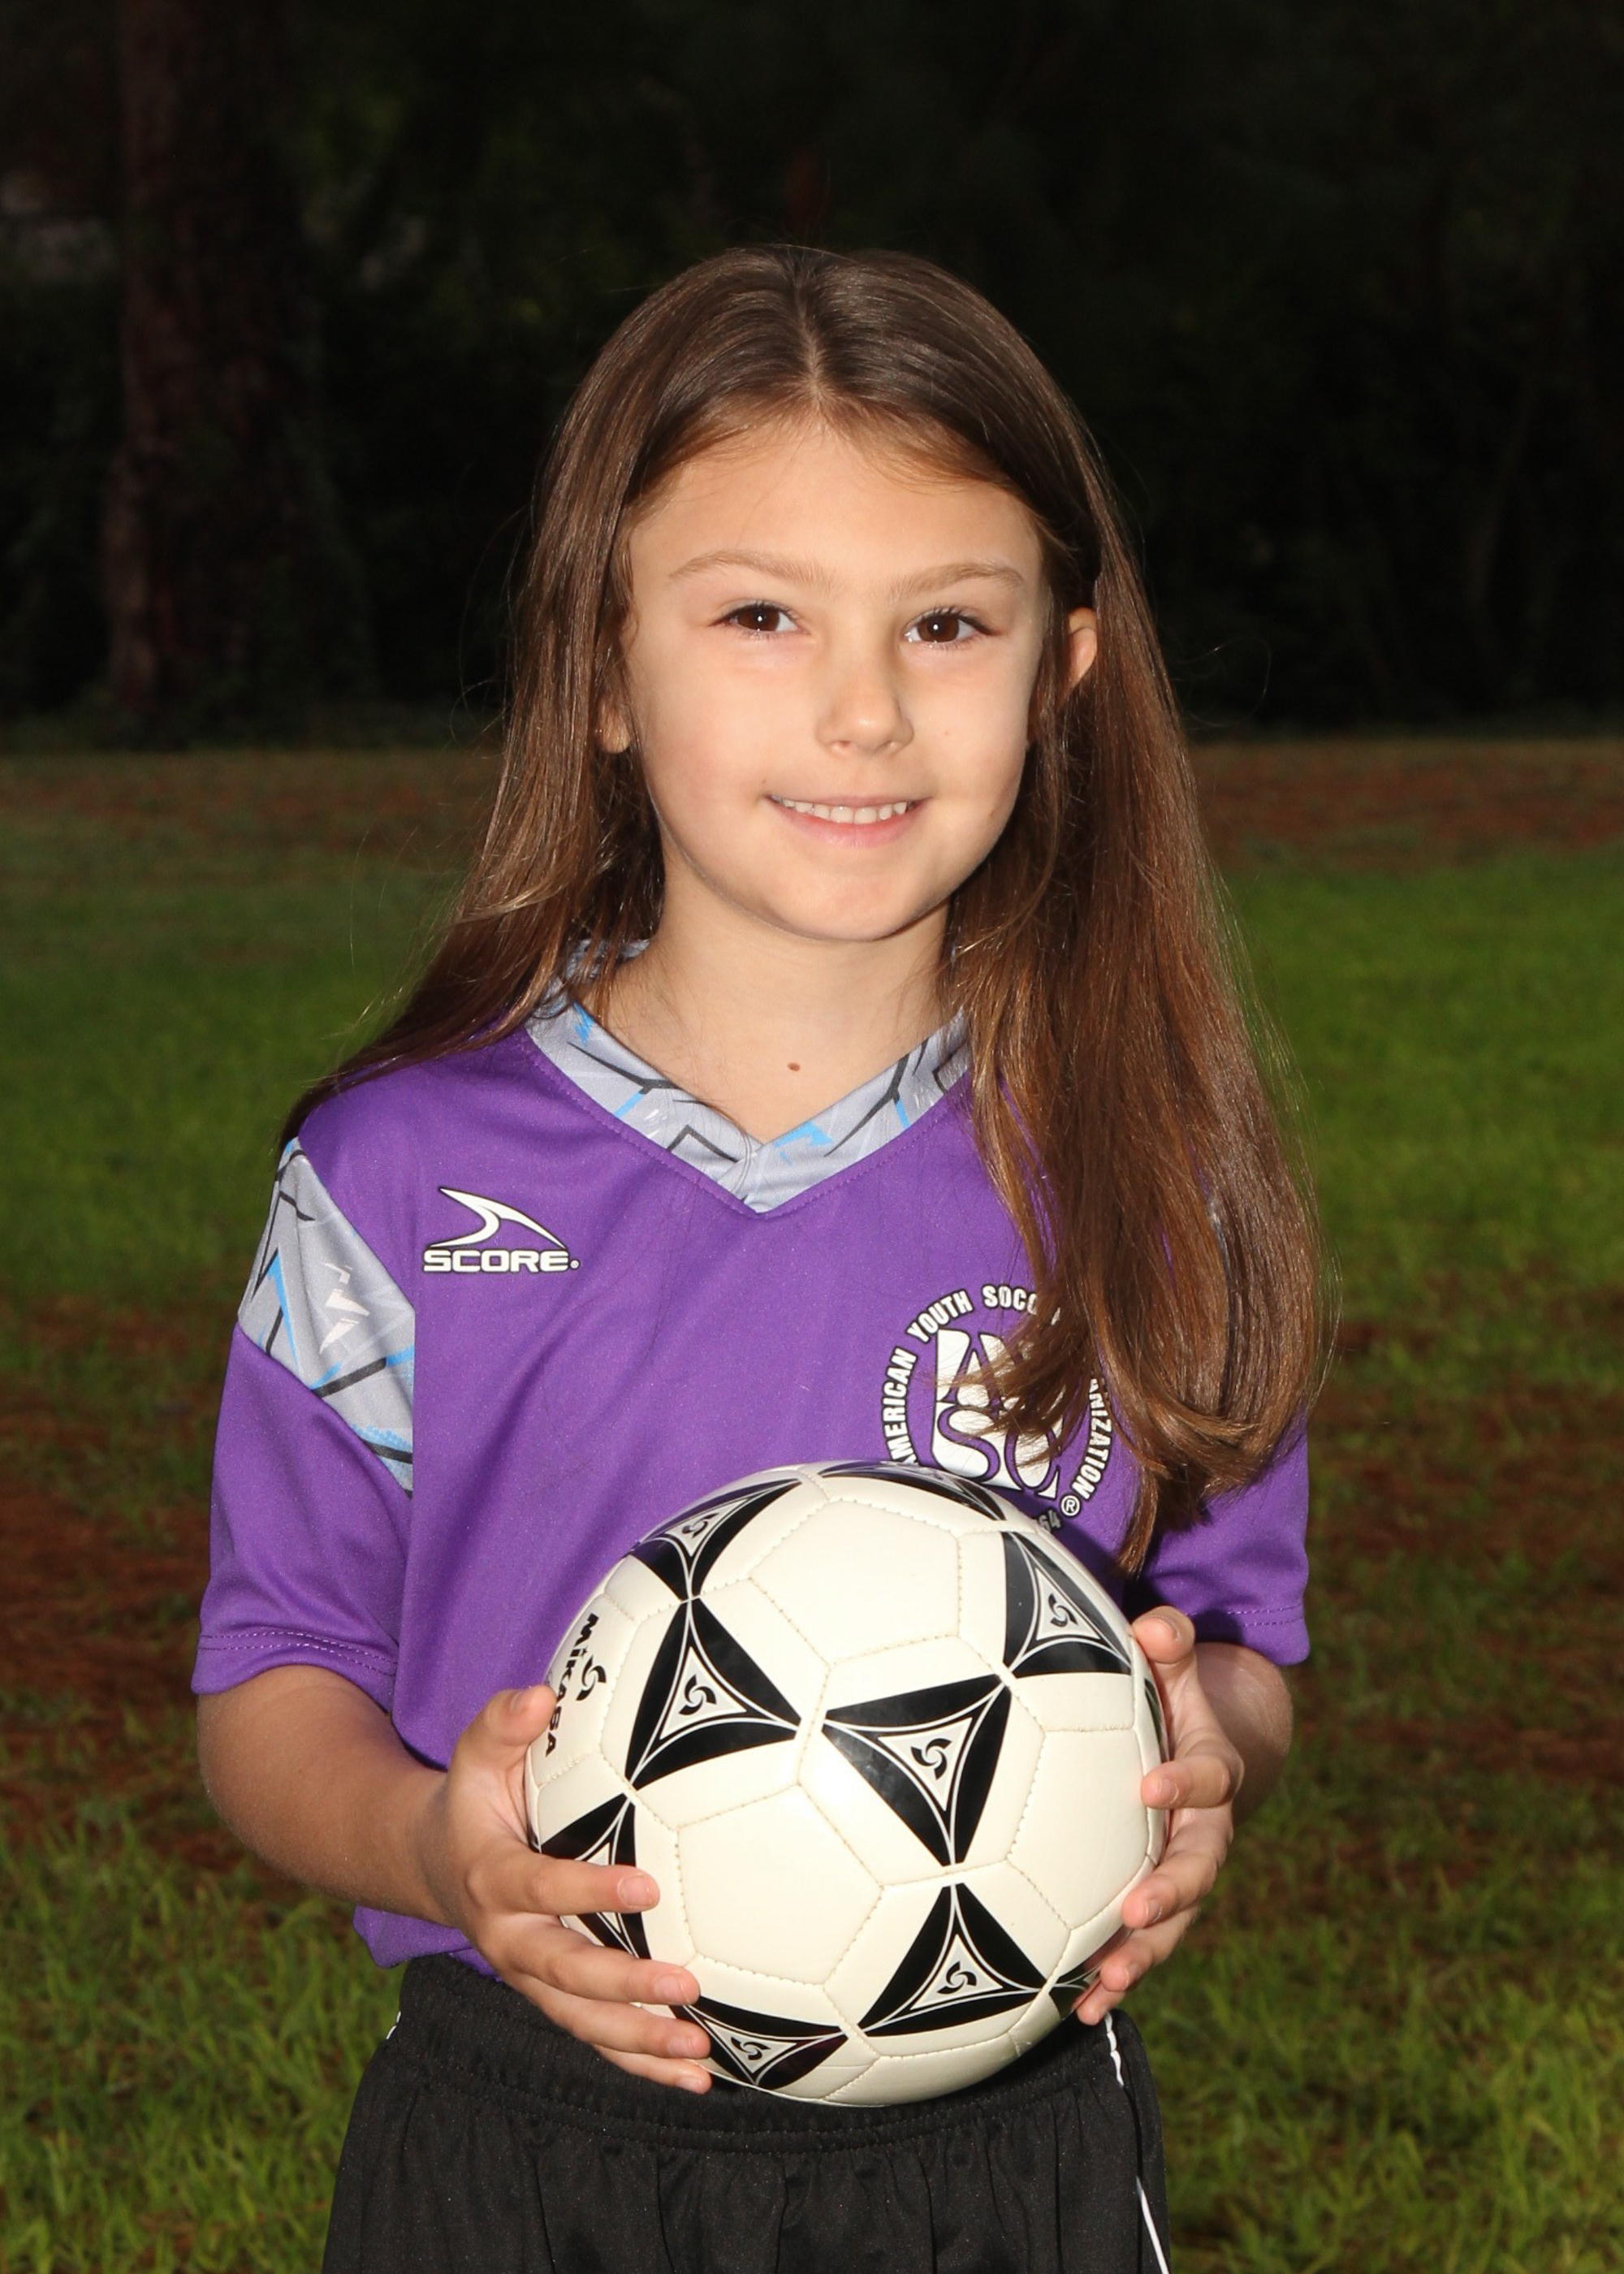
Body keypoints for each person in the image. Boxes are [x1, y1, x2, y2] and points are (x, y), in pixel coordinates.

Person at [194, 244, 1322, 2273]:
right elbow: (274, 1678)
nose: (863, 708)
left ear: (1063, 671)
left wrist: (1195, 1753)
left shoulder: (1156, 1179)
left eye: (947, 622)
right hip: (523, 2140)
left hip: (1007, 2155)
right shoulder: (396, 1177)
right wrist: (439, 1847)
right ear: (602, 670)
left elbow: (1235, 1646)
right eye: (760, 614)